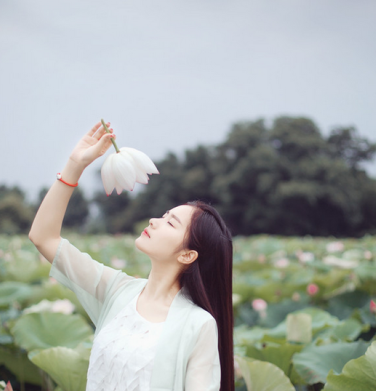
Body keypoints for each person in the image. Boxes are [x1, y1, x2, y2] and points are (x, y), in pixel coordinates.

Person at [29, 122, 234, 391]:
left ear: (187, 255)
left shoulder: (198, 325)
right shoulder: (116, 290)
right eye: (162, 215)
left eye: (170, 223)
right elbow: (44, 237)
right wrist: (75, 164)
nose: (154, 221)